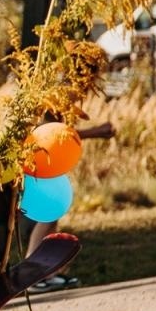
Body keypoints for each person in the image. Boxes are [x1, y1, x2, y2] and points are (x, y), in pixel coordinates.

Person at [25, 113, 116, 291]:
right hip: (39, 166)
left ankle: (46, 272)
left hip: (50, 166)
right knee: (47, 217)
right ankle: (31, 274)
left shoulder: (59, 106)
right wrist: (95, 132)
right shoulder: (46, 102)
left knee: (52, 219)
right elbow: (53, 134)